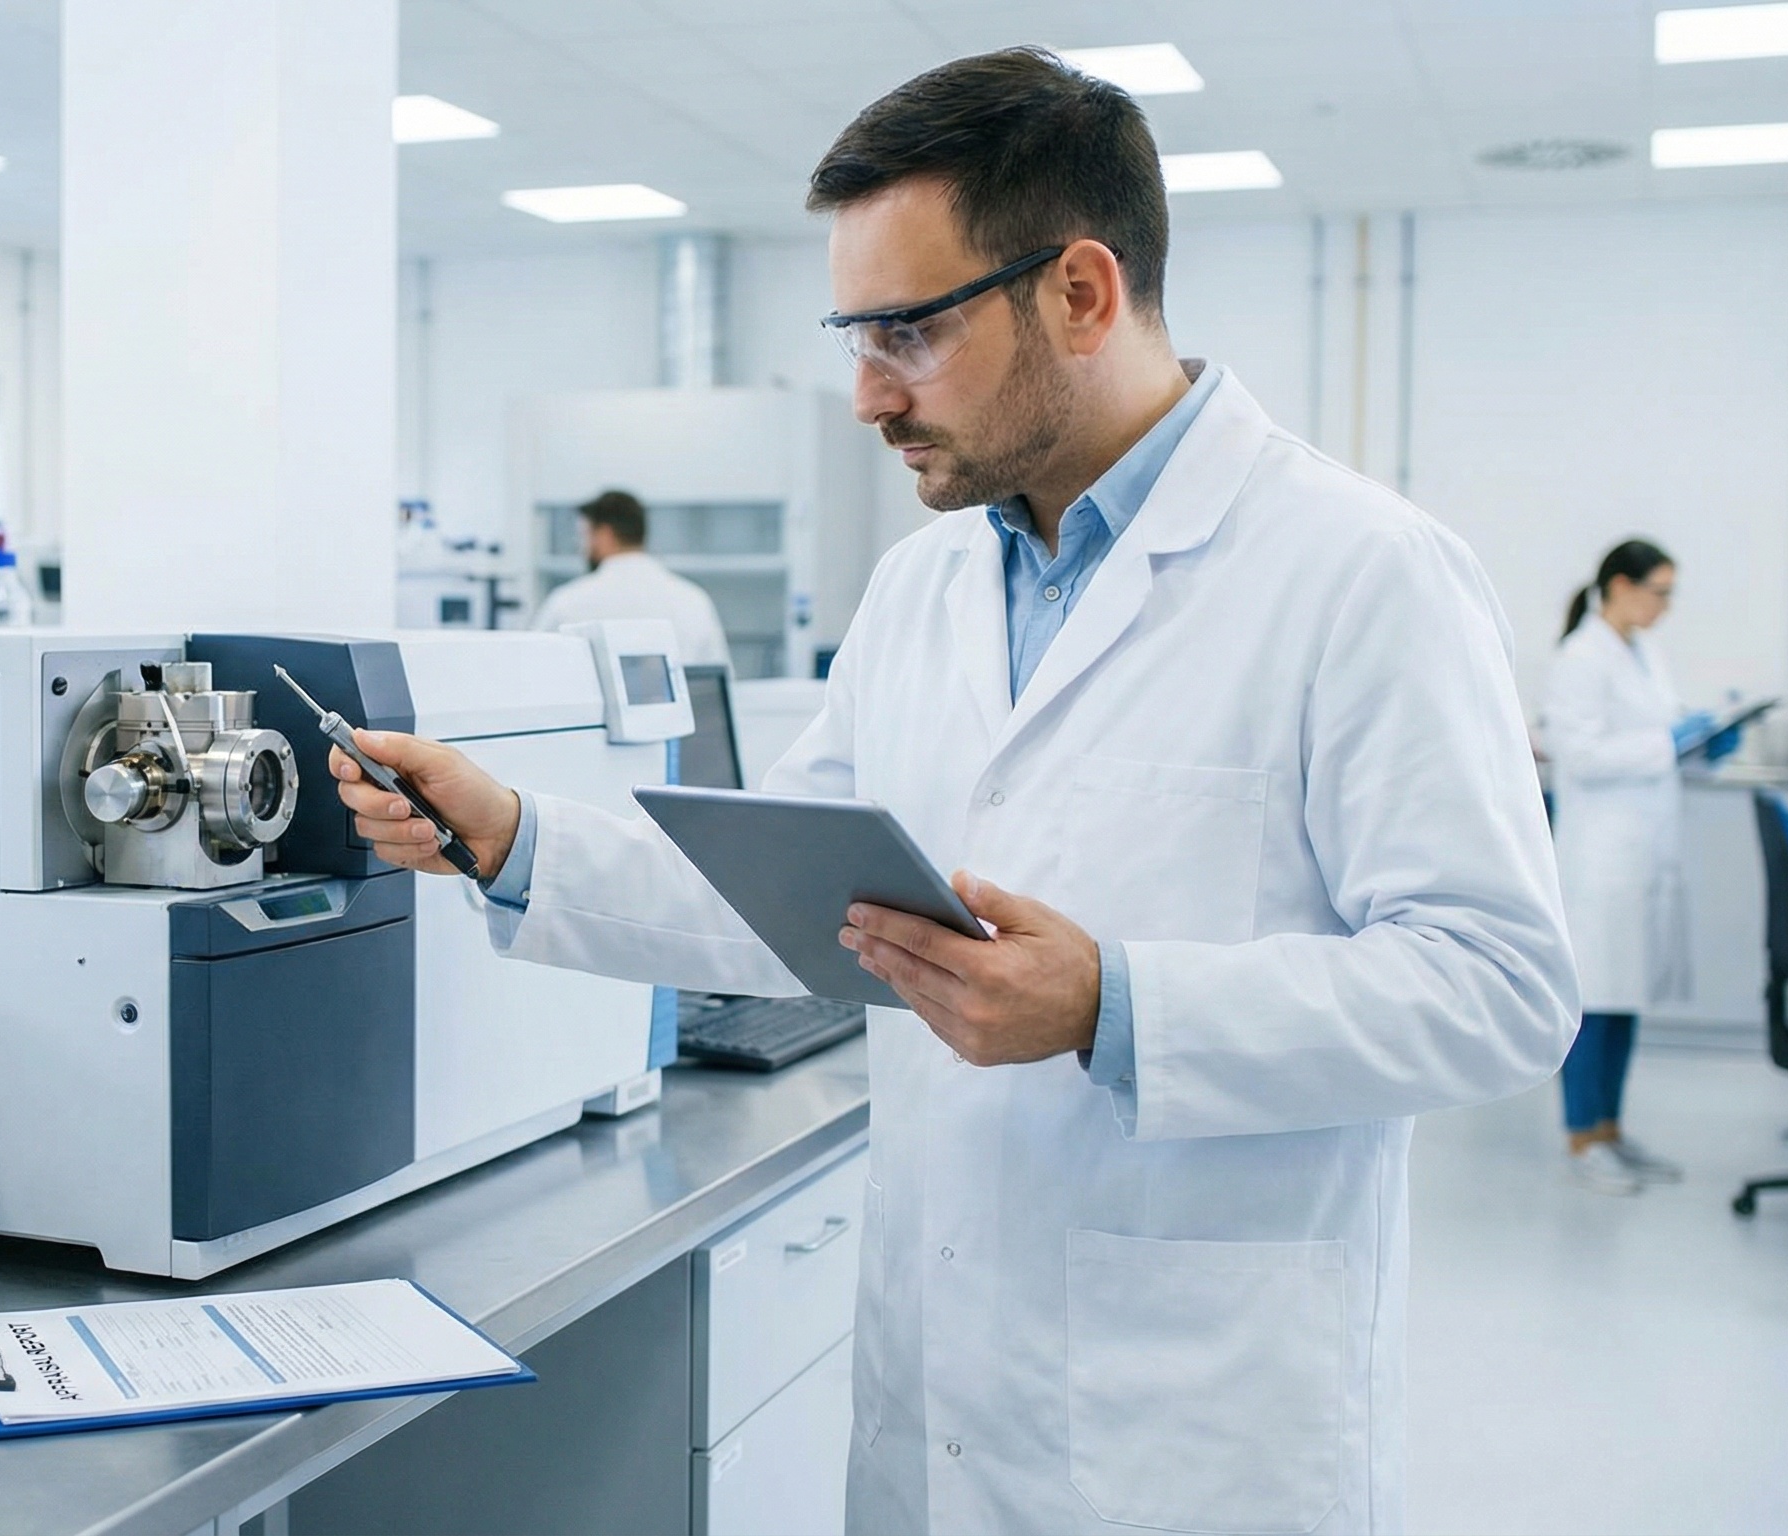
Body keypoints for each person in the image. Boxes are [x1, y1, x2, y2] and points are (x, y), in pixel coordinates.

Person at [330, 49, 1575, 1534]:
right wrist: (512, 837)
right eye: (853, 334)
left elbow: (1499, 984)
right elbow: (796, 901)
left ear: (1082, 293)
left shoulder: (1361, 573)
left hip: (1196, 1435)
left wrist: (1116, 1004)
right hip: (937, 1416)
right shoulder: (925, 588)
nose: (865, 395)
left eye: (908, 332)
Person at [1538, 540, 1735, 1194]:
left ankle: (1611, 1130)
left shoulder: (1644, 653)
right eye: (1660, 590)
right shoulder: (1579, 658)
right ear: (1620, 585)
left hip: (1642, 852)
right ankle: (1581, 1137)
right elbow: (1583, 755)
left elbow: (1665, 739)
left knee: (1626, 998)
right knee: (1594, 999)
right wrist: (1667, 742)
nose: (1666, 606)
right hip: (1599, 860)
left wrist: (1707, 740)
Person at [529, 490, 732, 669]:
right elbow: (720, 682)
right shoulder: (693, 599)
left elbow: (532, 668)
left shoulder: (568, 601)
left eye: (584, 536)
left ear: (604, 534)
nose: (581, 548)